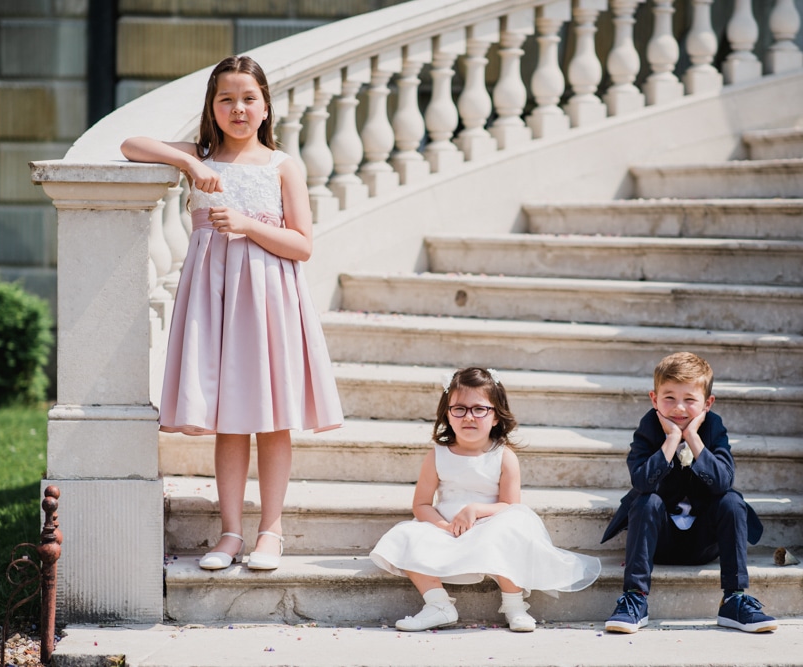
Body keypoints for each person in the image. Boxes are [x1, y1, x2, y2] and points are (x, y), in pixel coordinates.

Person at [120, 55, 343, 572]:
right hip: (214, 296)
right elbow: (131, 146)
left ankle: (271, 529)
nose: (238, 108)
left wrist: (245, 223)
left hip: (268, 296)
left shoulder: (281, 165)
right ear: (212, 107)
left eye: (248, 99)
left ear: (265, 107)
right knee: (229, 419)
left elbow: (302, 244)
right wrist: (192, 165)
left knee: (272, 416)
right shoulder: (200, 156)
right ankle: (230, 533)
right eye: (226, 99)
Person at [370, 367, 601, 632]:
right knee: (405, 535)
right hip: (447, 528)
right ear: (447, 413)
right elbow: (421, 504)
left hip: (489, 524)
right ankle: (438, 604)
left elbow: (510, 506)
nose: (469, 417)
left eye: (479, 409)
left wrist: (477, 509)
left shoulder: (504, 456)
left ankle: (514, 604)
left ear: (495, 416)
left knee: (510, 528)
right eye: (459, 409)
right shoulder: (437, 455)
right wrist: (443, 527)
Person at [600, 352, 777, 633]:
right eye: (669, 397)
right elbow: (643, 482)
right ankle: (634, 599)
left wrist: (693, 439)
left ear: (707, 404)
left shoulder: (713, 428)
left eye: (690, 400)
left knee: (732, 501)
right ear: (653, 398)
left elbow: (722, 482)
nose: (679, 408)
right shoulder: (648, 428)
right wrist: (671, 440)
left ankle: (734, 599)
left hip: (704, 542)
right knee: (647, 502)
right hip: (660, 540)